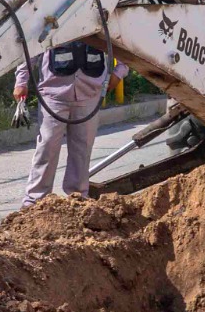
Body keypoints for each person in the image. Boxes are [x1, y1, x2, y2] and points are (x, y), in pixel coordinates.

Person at [13, 41, 129, 207]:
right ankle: (34, 201)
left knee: (82, 149)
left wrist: (119, 72)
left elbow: (122, 42)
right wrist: (21, 81)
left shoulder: (100, 24)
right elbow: (30, 49)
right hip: (53, 95)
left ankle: (78, 199)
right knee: (47, 147)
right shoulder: (48, 25)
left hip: (89, 94)